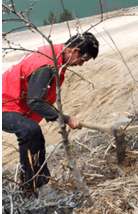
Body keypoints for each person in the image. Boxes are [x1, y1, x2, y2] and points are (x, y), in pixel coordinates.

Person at [2, 33, 99, 199]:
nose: (81, 65)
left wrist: (51, 111)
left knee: (35, 135)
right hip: (5, 102)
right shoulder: (47, 65)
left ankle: (33, 185)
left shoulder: (53, 54)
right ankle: (36, 188)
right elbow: (35, 102)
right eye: (82, 60)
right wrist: (67, 119)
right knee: (30, 131)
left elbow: (39, 95)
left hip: (13, 101)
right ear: (74, 51)